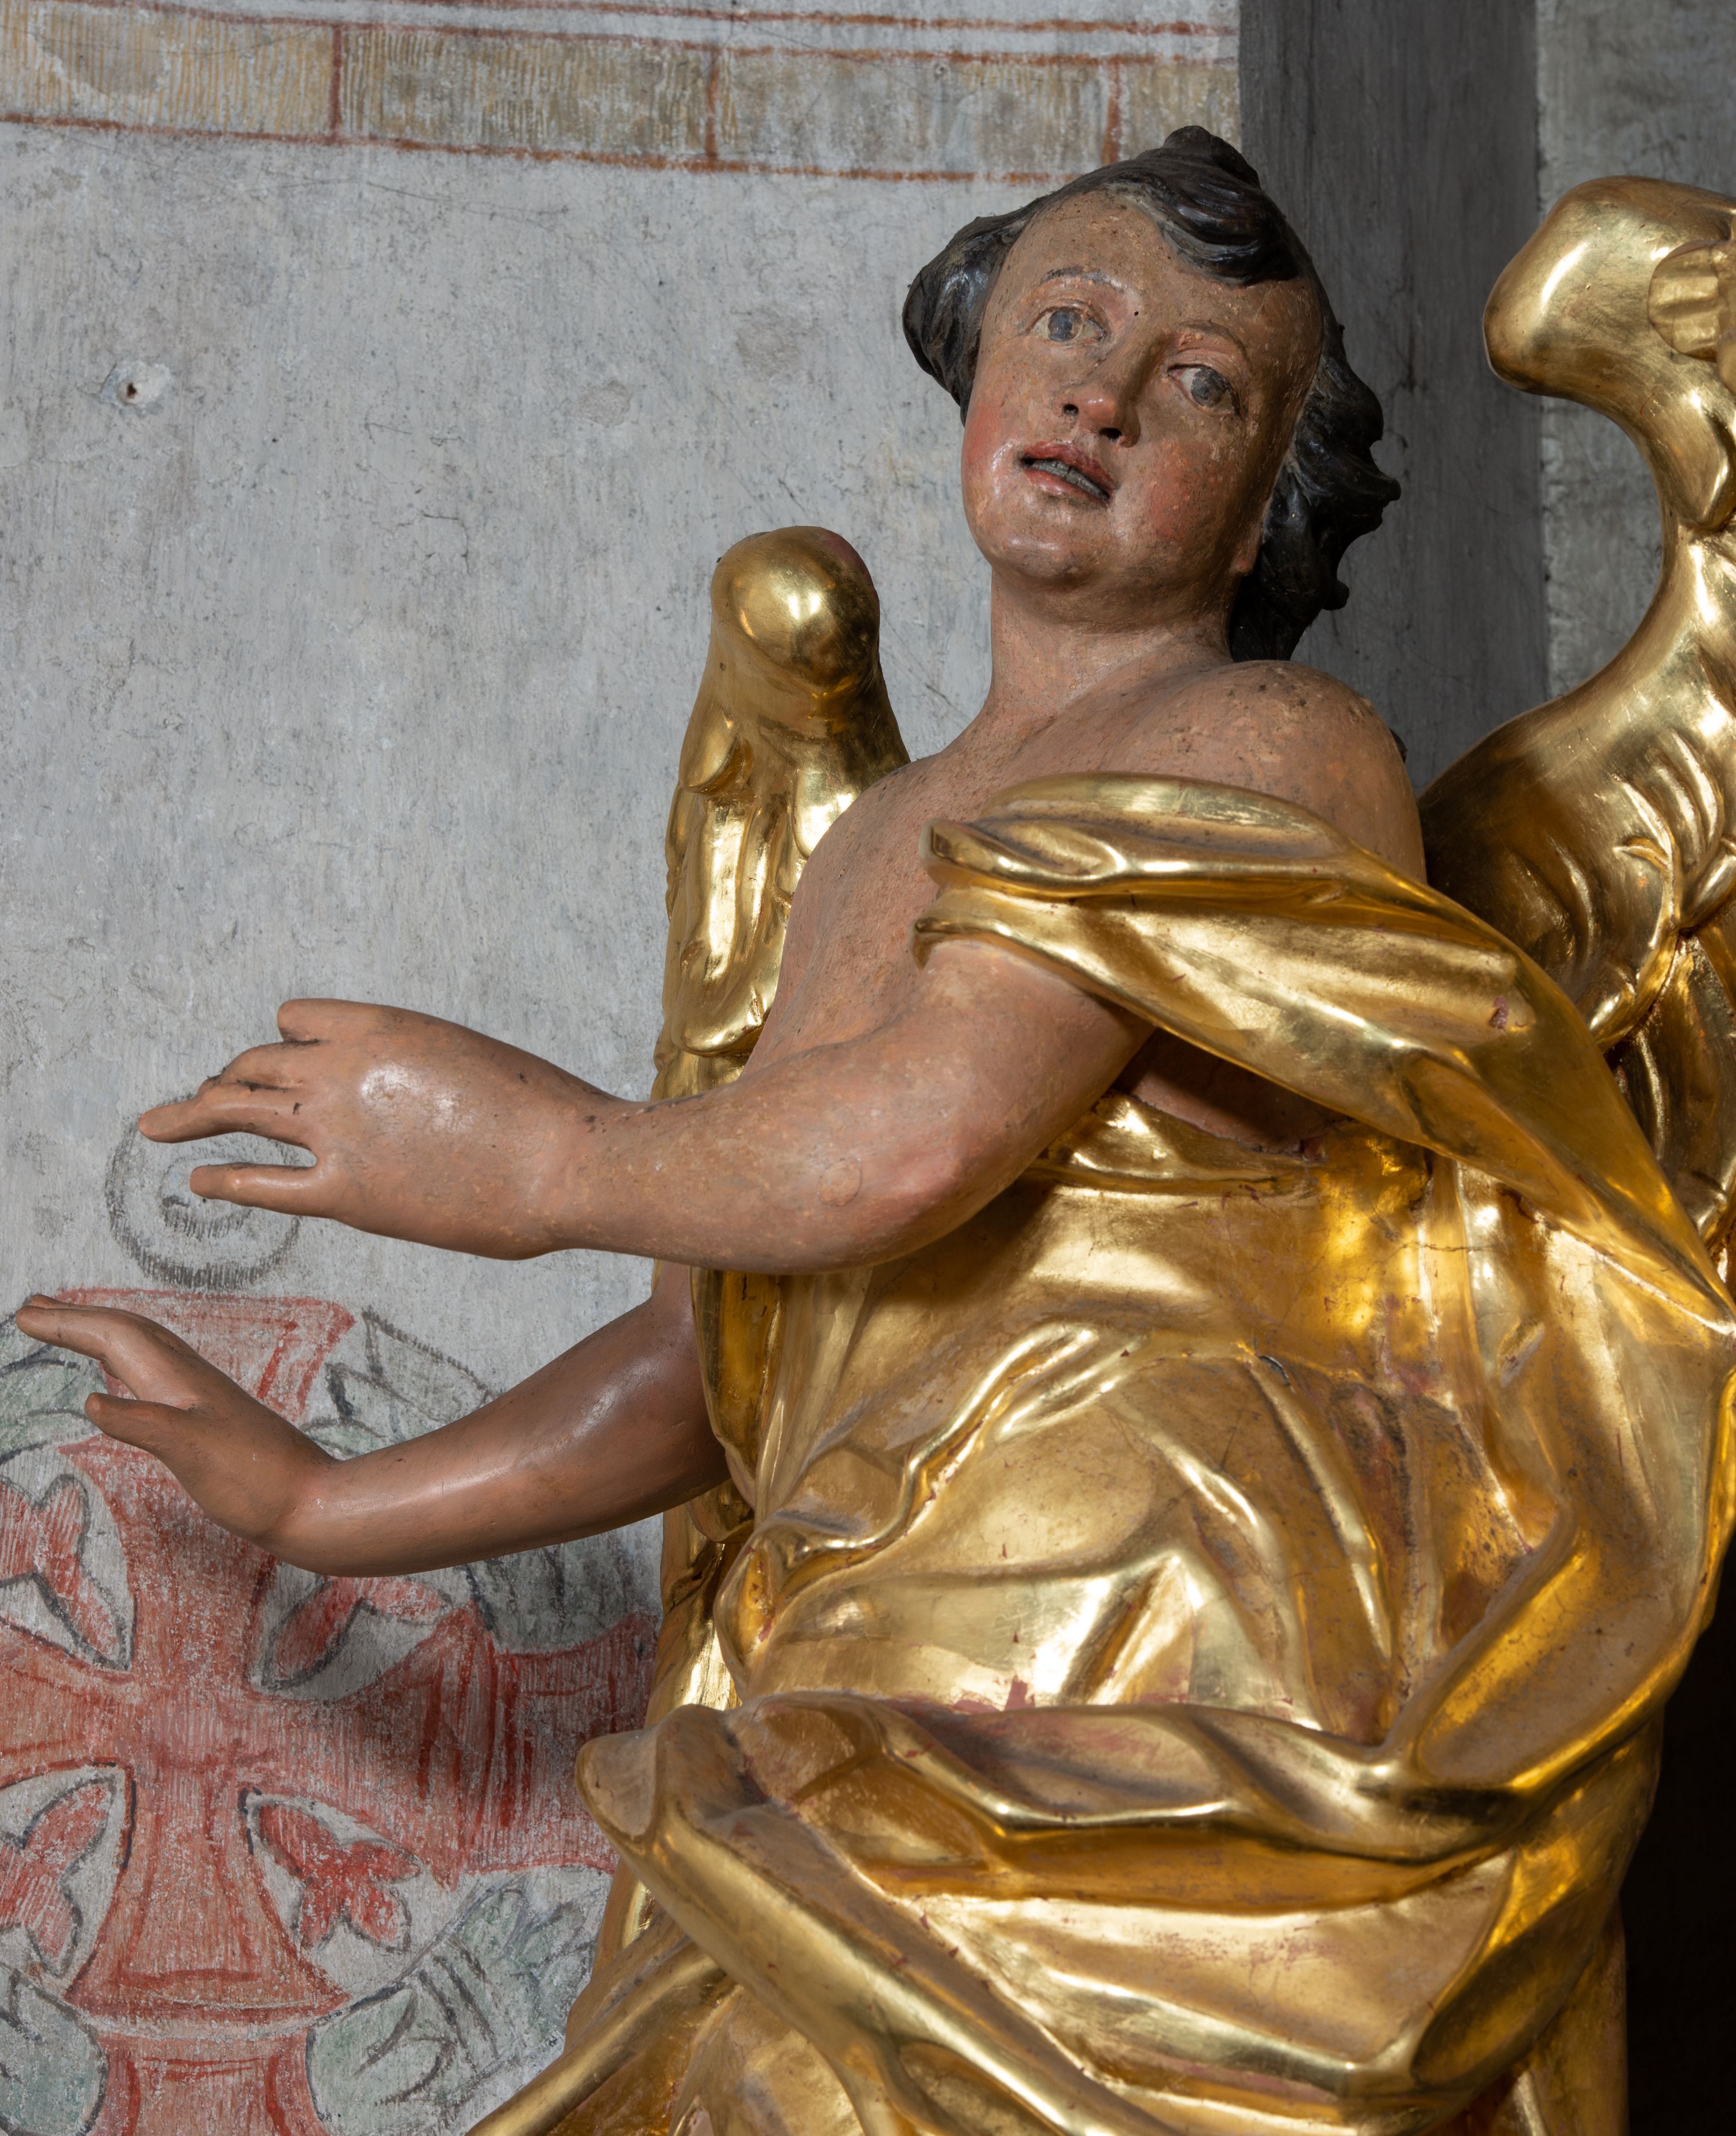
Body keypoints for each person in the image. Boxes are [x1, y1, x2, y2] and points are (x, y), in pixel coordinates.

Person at [19, 133, 1731, 2136]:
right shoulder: (869, 845)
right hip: (870, 1645)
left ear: (1271, 495)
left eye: (1198, 384)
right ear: (975, 368)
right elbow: (721, 1348)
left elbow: (922, 1132)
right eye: (1067, 325)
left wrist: (546, 1157)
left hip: (1150, 1632)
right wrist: (331, 1502)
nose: (1104, 392)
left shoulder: (1271, 743)